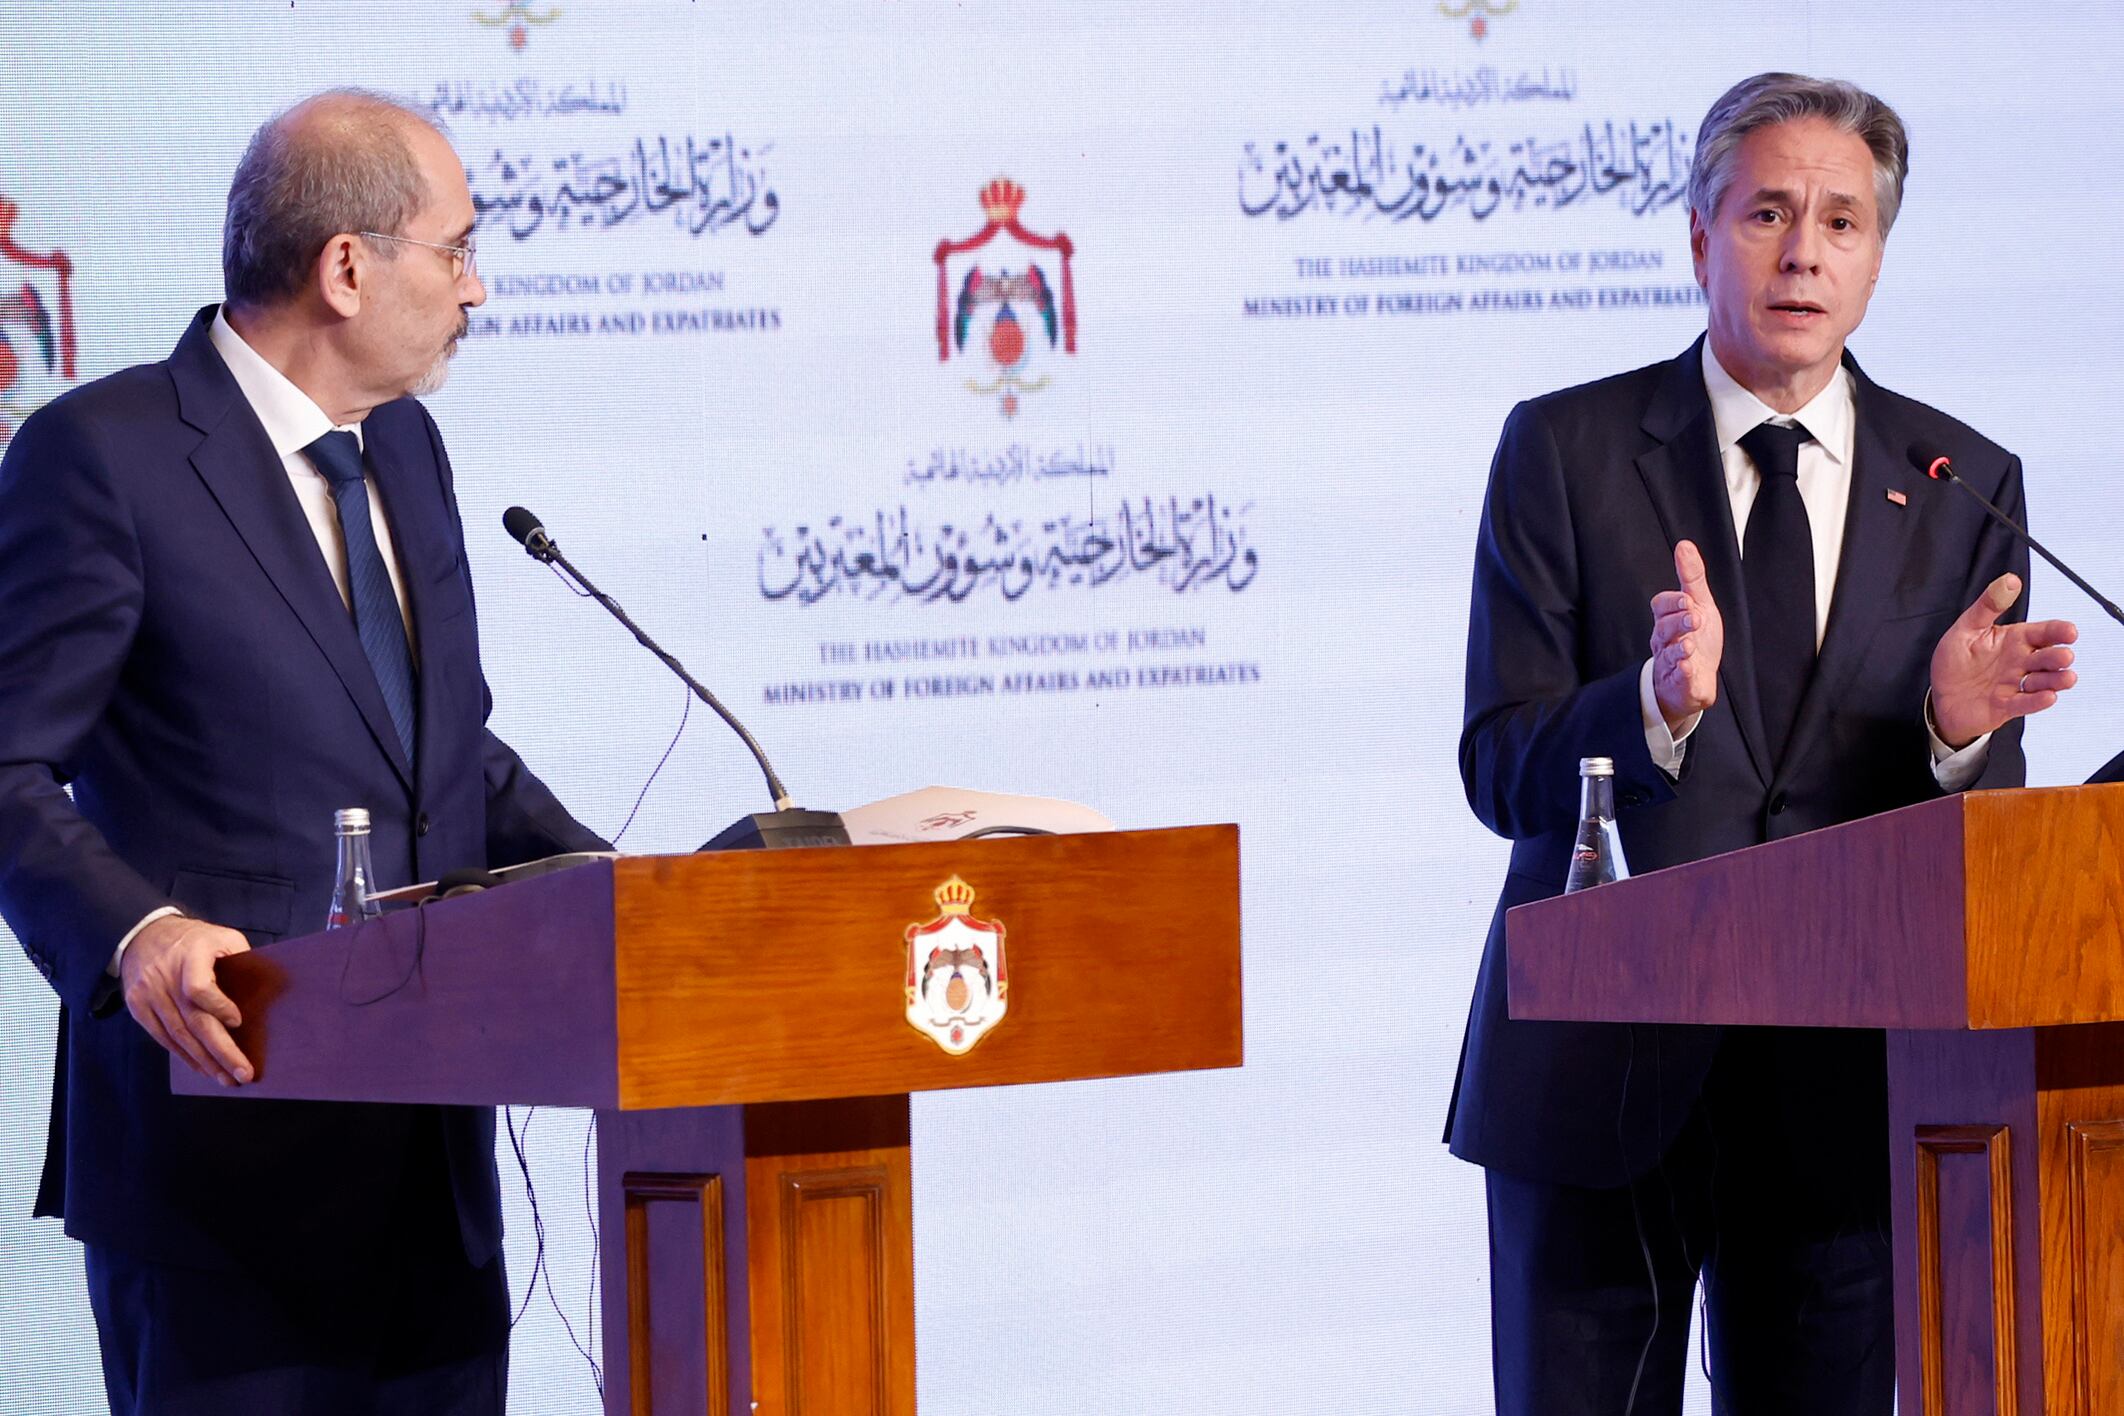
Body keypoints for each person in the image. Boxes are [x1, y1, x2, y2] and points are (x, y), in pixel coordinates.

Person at [1445, 72, 2080, 1414]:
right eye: (1769, 214)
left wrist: (1955, 738)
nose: (1805, 252)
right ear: (1697, 235)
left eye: (1842, 222)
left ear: (1878, 255)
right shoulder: (1565, 449)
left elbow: (1984, 838)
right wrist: (1654, 707)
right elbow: (1498, 767)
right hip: (1596, 1086)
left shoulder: (1965, 480)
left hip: (1846, 1104)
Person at [0, 89, 608, 1414]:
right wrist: (136, 932)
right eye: (454, 250)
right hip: (221, 1184)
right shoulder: (103, 458)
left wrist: (626, 892)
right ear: (347, 266)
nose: (477, 287)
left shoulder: (407, 445)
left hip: (433, 1186)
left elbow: (444, 756)